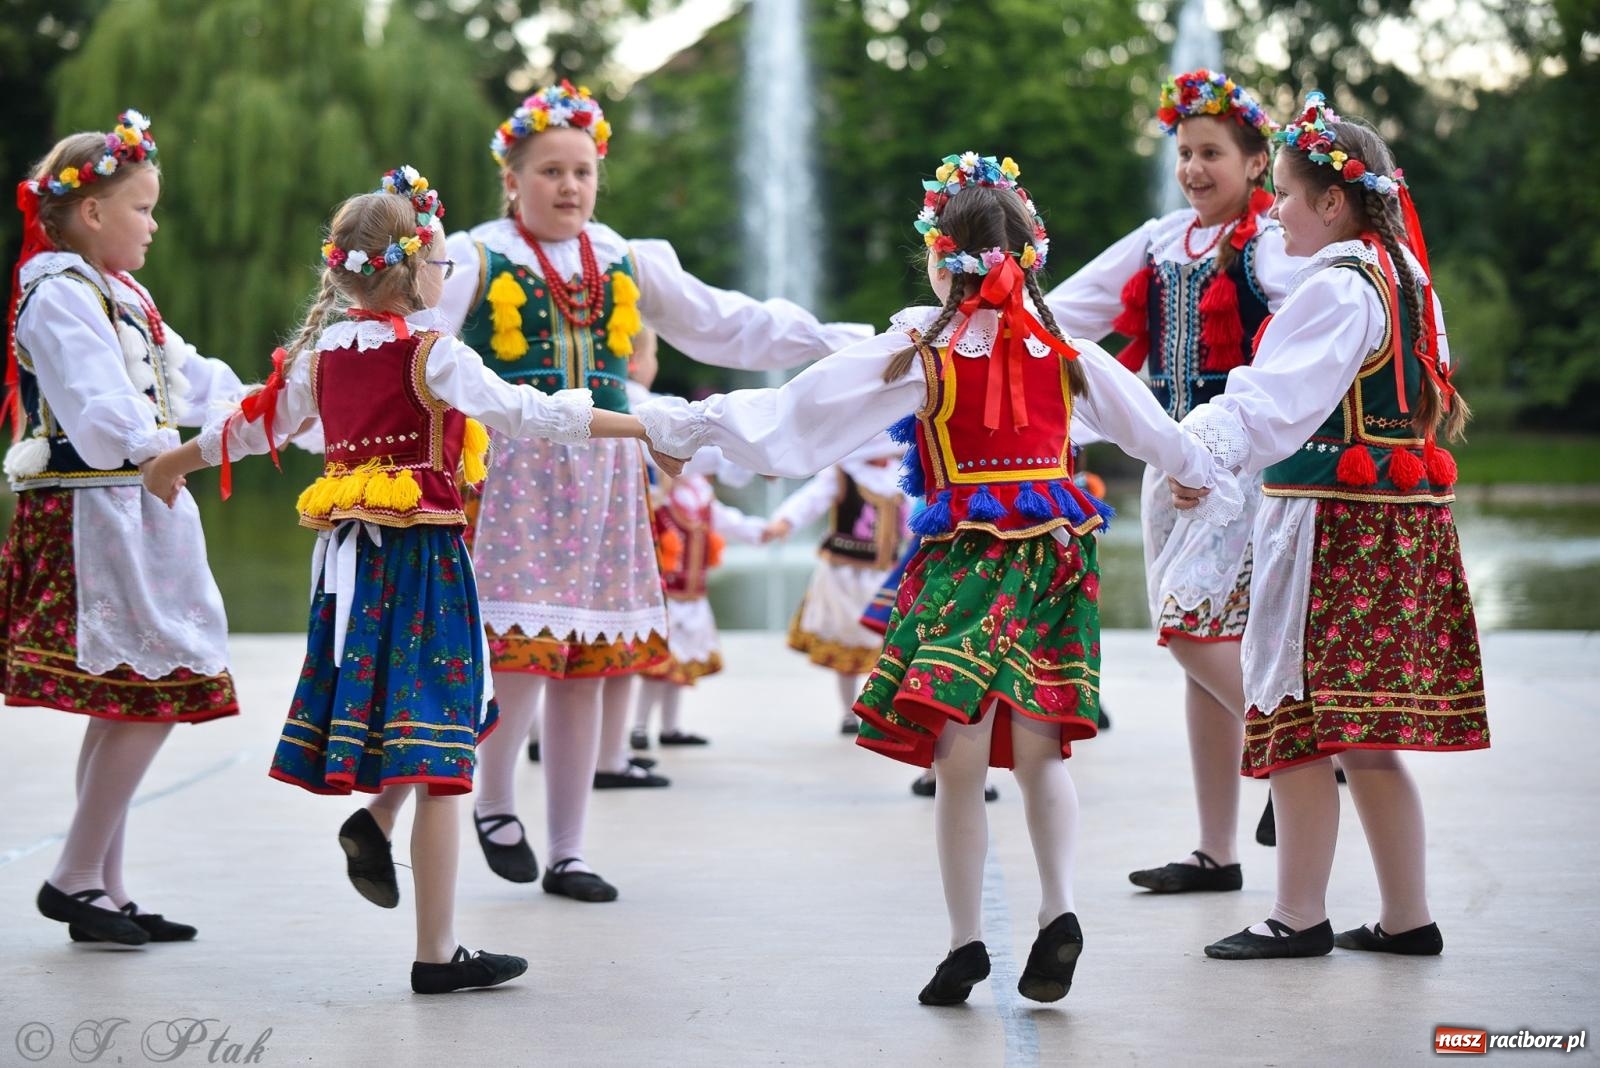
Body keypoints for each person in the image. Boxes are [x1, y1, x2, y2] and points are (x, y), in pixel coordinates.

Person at [636, 154, 1234, 1005]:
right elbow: (1158, 433)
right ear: (1032, 253)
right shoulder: (1069, 353)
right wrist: (1190, 473)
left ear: (937, 255)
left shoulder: (922, 353)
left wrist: (689, 428)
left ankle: (965, 944)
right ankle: (1058, 910)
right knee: (1039, 748)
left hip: (966, 557)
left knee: (959, 757)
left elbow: (796, 419)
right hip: (1057, 553)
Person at [142, 167, 666, 992]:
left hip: (349, 567)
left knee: (412, 731)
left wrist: (177, 458)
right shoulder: (432, 353)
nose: (446, 279)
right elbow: (529, 412)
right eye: (444, 266)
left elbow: (250, 428)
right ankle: (436, 954)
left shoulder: (321, 359)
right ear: (416, 270)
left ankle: (389, 847)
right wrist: (643, 424)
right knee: (442, 751)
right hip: (422, 563)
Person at [434, 81, 870, 900]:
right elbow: (419, 340)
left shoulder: (628, 258)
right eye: (550, 171)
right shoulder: (474, 253)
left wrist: (829, 338)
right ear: (512, 180)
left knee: (589, 662)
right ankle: (495, 804)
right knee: (521, 652)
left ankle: (569, 849)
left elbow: (726, 321)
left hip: (606, 474)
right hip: (522, 475)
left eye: (583, 172)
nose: (569, 187)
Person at [1172, 95, 1485, 959]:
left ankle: (1298, 916)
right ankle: (1405, 916)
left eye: (1285, 194)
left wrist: (1194, 457)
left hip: (1333, 528)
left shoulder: (1338, 289)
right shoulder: (1407, 278)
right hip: (1398, 528)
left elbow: (1269, 405)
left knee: (1298, 722)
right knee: (1368, 736)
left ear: (1334, 202)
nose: (1273, 209)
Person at [1044, 70, 1297, 892]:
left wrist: (1222, 450)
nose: (1193, 168)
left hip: (1245, 467)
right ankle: (1217, 850)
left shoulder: (1273, 247)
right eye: (1184, 152)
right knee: (1198, 653)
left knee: (1194, 628)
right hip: (1169, 460)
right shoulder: (1157, 241)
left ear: (1256, 162)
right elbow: (1067, 312)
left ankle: (1293, 741)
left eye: (1212, 152)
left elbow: (1302, 354)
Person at [3, 110, 246, 947]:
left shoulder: (122, 294)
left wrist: (276, 410)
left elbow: (195, 376)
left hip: (134, 507)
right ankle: (72, 876)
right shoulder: (55, 295)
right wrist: (174, 453)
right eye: (141, 207)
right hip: (94, 514)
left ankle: (100, 886)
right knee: (153, 689)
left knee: (126, 702)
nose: (152, 223)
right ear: (94, 211)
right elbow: (102, 410)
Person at [763, 435, 909, 735]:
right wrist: (786, 521)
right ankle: (847, 712)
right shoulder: (844, 471)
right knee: (848, 639)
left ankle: (880, 709)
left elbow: (910, 521)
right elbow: (811, 499)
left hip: (886, 575)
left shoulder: (899, 476)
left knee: (886, 644)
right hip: (844, 574)